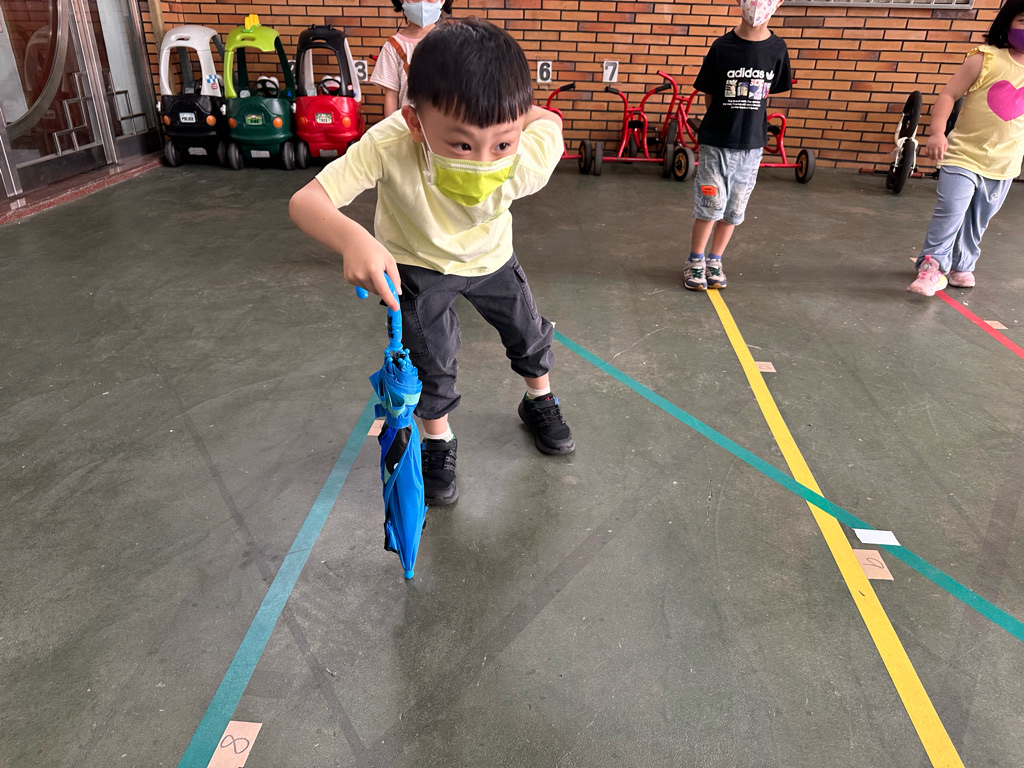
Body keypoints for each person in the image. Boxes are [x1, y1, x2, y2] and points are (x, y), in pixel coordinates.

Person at [289, 19, 574, 508]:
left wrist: (516, 114)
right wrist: (353, 239)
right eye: (462, 144)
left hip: (492, 258)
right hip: (417, 268)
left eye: (502, 143)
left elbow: (549, 120)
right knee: (431, 361)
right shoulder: (390, 142)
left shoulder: (528, 158)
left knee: (527, 333)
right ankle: (438, 440)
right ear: (416, 122)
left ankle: (539, 400)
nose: (483, 160)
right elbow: (306, 200)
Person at [908, 0, 1024, 296]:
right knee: (951, 209)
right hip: (963, 155)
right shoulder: (986, 58)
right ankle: (932, 266)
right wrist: (937, 132)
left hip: (1004, 164)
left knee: (977, 220)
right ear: (1007, 22)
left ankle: (963, 264)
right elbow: (949, 94)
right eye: (1023, 21)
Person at [685, 0, 791, 291]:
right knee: (710, 205)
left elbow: (769, 92)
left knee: (734, 209)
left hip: (751, 146)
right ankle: (695, 259)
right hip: (716, 143)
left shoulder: (777, 49)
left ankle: (715, 260)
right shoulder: (722, 47)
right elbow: (708, 92)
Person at [370, 0, 453, 117]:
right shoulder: (393, 46)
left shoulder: (452, 42)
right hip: (406, 125)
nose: (422, 2)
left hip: (443, 124)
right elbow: (391, 95)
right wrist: (390, 128)